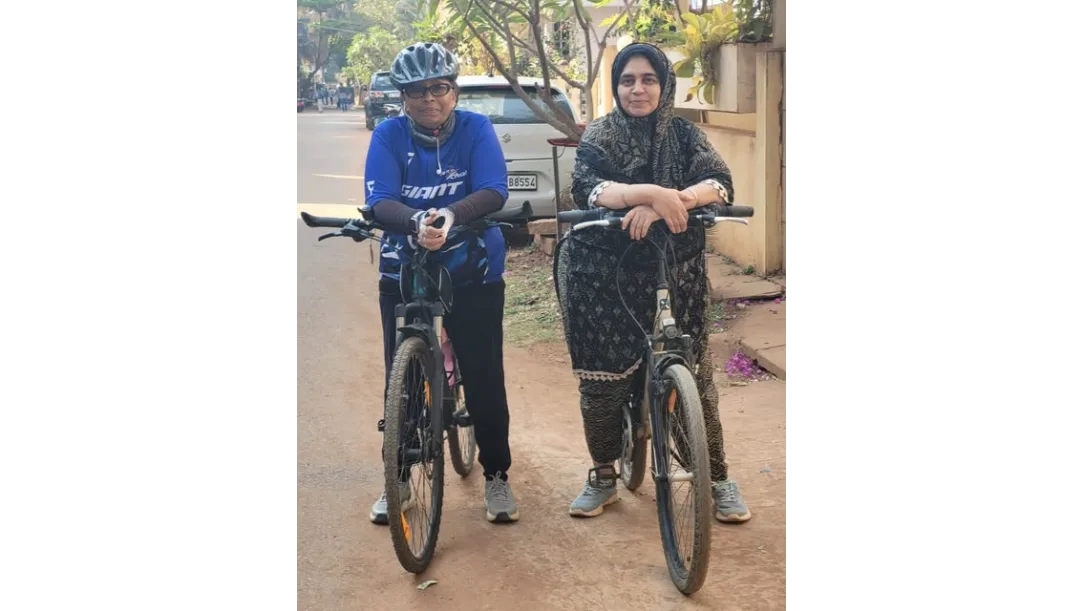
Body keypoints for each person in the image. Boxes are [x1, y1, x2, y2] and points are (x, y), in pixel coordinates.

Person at [554, 42, 752, 523]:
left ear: (664, 86)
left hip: (674, 266)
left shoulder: (684, 135)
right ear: (616, 86)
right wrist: (647, 194)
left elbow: (719, 182)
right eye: (627, 80)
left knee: (695, 373)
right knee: (603, 381)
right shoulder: (600, 134)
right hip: (602, 270)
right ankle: (604, 475)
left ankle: (716, 477)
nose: (637, 89)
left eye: (648, 80)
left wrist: (672, 202)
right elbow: (589, 188)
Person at [362, 42, 519, 525]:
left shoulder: (476, 128)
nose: (429, 98)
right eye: (416, 91)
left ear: (454, 90)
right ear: (402, 96)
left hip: (473, 269)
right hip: (405, 269)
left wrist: (451, 214)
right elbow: (380, 200)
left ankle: (497, 474)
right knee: (402, 379)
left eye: (439, 88)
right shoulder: (388, 134)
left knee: (484, 373)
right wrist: (416, 223)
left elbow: (493, 189)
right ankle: (399, 475)